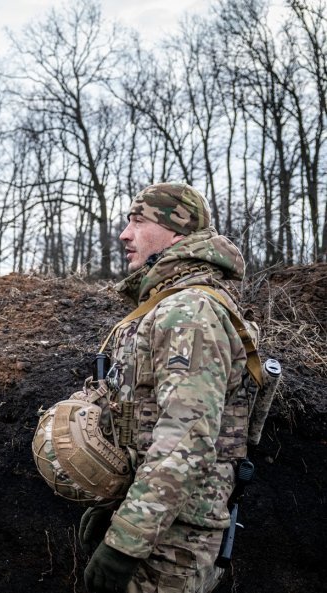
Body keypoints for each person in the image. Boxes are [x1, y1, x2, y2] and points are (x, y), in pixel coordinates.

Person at [74, 182, 258, 593]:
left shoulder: (189, 311)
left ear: (177, 232)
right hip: (160, 526)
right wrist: (115, 506)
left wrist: (126, 541)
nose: (125, 233)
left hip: (171, 544)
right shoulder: (168, 304)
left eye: (139, 221)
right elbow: (145, 423)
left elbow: (186, 438)